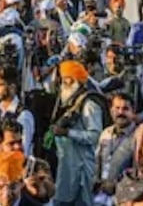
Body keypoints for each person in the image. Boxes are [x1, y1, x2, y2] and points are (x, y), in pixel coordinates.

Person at [50, 60, 103, 206]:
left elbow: (94, 136)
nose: (62, 86)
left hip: (83, 170)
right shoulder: (71, 102)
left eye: (66, 81)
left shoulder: (89, 104)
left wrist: (67, 132)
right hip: (68, 167)